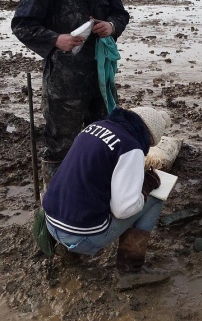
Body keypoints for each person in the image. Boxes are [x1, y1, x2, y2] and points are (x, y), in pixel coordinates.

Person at [11, 0, 130, 183]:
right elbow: (22, 23)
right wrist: (55, 39)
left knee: (104, 135)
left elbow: (120, 14)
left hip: (100, 75)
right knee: (60, 145)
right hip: (64, 82)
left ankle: (97, 189)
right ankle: (54, 201)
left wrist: (110, 26)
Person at [42, 105, 171, 289]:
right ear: (149, 138)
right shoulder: (131, 147)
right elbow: (123, 209)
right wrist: (144, 188)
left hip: (51, 223)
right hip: (81, 237)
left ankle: (68, 253)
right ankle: (130, 270)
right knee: (156, 198)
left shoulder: (93, 127)